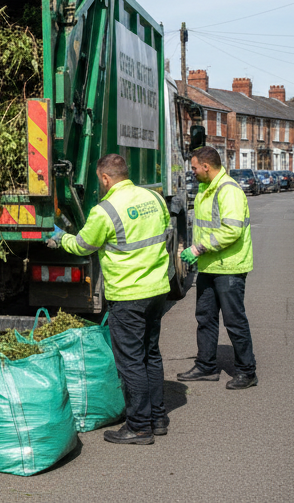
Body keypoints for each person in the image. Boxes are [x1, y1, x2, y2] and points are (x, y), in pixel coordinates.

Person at [50, 153, 173, 444]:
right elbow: (166, 232)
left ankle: (139, 427)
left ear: (105, 178)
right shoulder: (154, 199)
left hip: (128, 295)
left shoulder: (105, 210)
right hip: (157, 290)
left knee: (130, 362)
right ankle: (158, 418)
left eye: (99, 180)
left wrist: (59, 236)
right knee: (150, 355)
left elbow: (83, 246)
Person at [177, 146, 257, 390]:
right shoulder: (206, 188)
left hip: (229, 267)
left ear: (206, 167)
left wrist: (198, 249)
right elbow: (205, 227)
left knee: (234, 321)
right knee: (205, 317)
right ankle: (206, 366)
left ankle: (247, 371)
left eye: (193, 168)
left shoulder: (228, 190)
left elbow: (231, 230)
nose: (192, 172)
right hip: (210, 265)